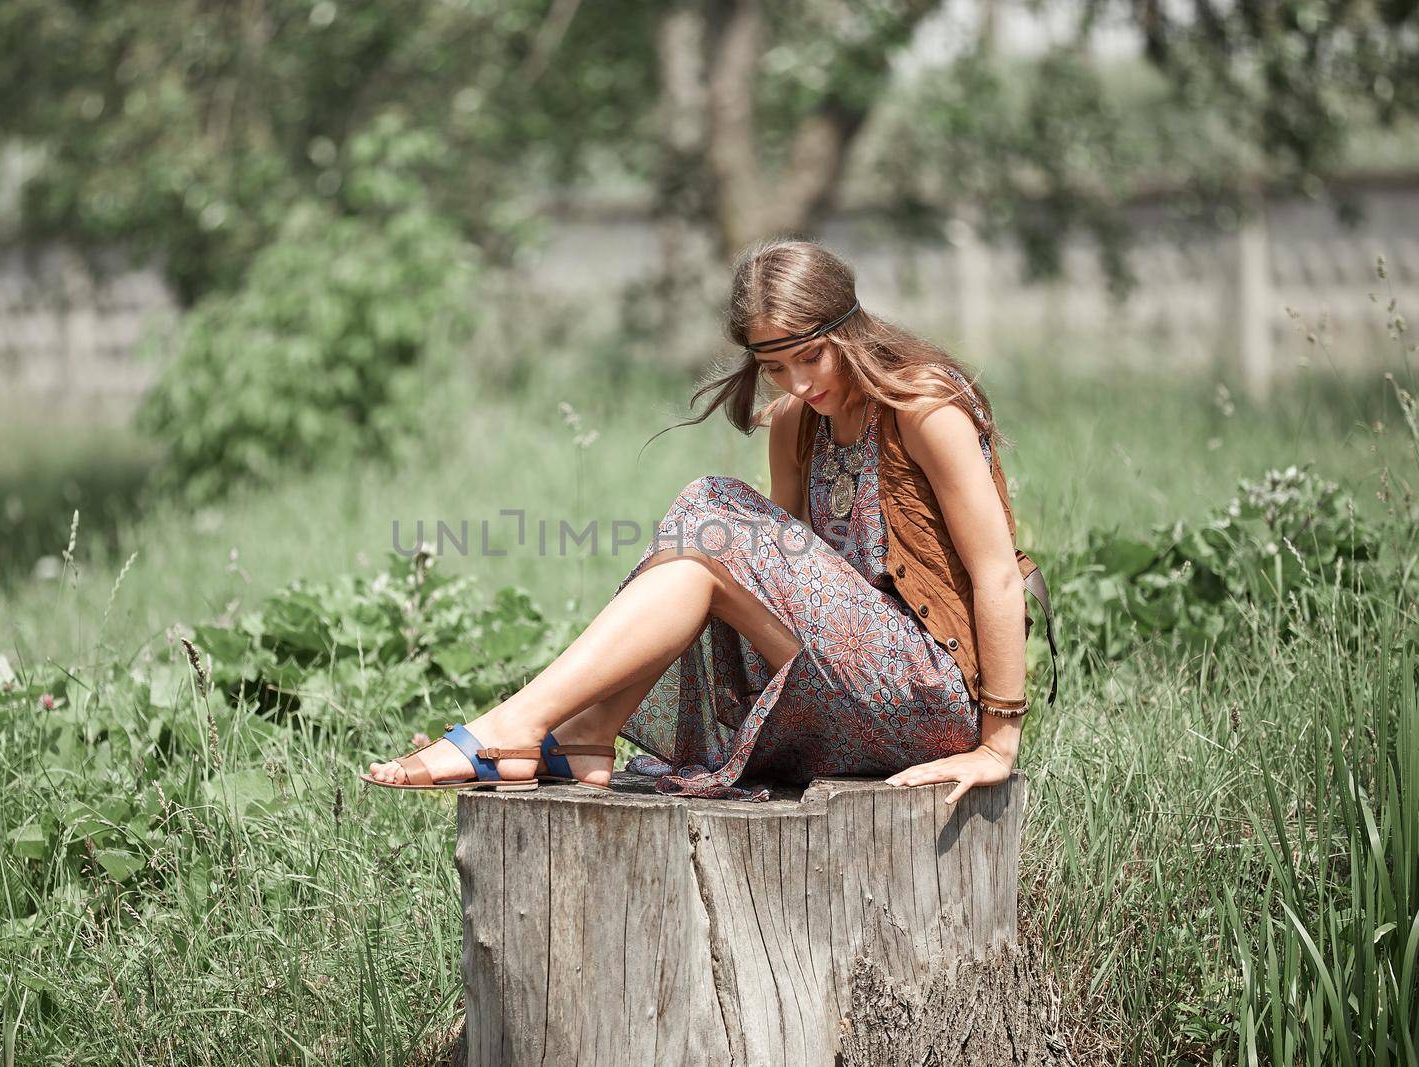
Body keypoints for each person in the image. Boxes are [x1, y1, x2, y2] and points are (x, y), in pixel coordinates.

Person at [361, 237, 1053, 802]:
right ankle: (582, 732)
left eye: (811, 356)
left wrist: (998, 743)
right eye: (776, 366)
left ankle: (521, 724)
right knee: (706, 537)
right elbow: (770, 589)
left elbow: (995, 574)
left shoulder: (924, 407)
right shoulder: (795, 424)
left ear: (849, 324)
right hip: (839, 696)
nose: (801, 383)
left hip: (930, 697)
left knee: (711, 506)